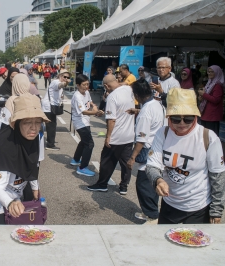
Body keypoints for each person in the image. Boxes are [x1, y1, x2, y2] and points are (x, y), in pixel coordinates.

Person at [146, 88, 225, 224]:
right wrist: (158, 180)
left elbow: (217, 176)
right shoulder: (162, 133)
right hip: (170, 203)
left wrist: (216, 209)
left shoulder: (208, 137)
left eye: (188, 118)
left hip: (198, 207)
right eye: (176, 119)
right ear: (168, 117)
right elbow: (152, 165)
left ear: (196, 116)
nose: (182, 124)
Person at [0, 93, 50, 224]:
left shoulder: (33, 137)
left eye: (38, 122)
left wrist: (35, 187)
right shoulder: (3, 146)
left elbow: (32, 164)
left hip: (14, 184)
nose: (34, 127)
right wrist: (10, 203)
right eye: (27, 122)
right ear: (16, 123)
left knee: (18, 225)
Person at [126, 79, 166, 224]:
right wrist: (137, 110)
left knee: (143, 184)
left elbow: (141, 139)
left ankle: (152, 215)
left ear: (137, 94)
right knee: (152, 182)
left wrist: (132, 157)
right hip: (158, 148)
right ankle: (151, 211)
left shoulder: (145, 112)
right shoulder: (157, 104)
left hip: (147, 150)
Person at [87, 74, 135, 194]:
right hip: (129, 134)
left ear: (106, 86)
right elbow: (126, 84)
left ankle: (102, 184)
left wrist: (108, 137)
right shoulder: (129, 89)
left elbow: (111, 119)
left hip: (117, 135)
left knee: (106, 160)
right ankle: (124, 186)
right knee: (125, 162)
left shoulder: (112, 96)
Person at [70, 74, 104, 177]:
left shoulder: (87, 92)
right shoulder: (77, 96)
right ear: (78, 85)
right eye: (84, 85)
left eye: (87, 84)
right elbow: (84, 112)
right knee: (89, 144)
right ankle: (82, 167)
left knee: (84, 141)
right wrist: (96, 112)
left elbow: (90, 101)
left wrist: (94, 106)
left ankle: (75, 159)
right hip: (80, 122)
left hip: (86, 121)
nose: (86, 87)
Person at [41, 69, 71, 150]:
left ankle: (48, 142)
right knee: (51, 126)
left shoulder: (59, 83)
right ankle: (50, 145)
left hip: (51, 107)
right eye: (65, 77)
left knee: (50, 125)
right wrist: (66, 83)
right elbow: (60, 85)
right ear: (60, 76)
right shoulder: (56, 82)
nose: (66, 78)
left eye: (68, 77)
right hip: (48, 107)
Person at [198, 65, 224, 136]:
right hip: (206, 114)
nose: (209, 73)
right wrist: (201, 97)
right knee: (205, 136)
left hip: (212, 116)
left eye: (212, 72)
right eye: (208, 71)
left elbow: (216, 100)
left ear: (217, 73)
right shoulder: (209, 83)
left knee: (211, 137)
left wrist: (203, 94)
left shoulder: (217, 85)